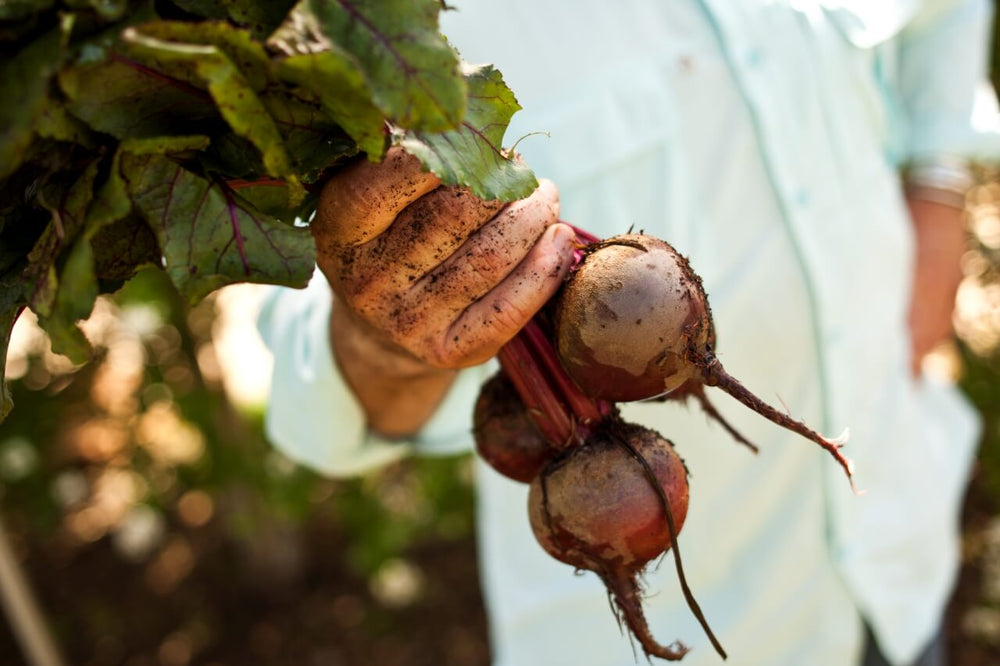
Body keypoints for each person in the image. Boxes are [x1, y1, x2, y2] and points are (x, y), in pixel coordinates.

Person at [256, 1, 1000, 664]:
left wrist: (937, 183)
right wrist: (386, 338)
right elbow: (310, 403)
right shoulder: (348, 26)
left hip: (902, 552)